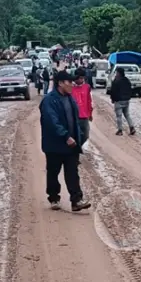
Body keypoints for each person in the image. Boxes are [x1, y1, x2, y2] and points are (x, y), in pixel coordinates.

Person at [40, 70, 91, 212]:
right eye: (69, 82)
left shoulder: (70, 98)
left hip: (71, 144)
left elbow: (74, 120)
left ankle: (76, 200)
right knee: (53, 172)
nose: (72, 85)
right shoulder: (49, 100)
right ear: (60, 83)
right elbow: (52, 122)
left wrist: (78, 136)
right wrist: (65, 136)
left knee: (72, 173)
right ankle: (54, 197)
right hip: (55, 145)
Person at [108, 67, 135, 136]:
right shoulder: (127, 80)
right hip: (126, 100)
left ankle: (120, 130)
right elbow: (130, 90)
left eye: (116, 72)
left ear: (119, 73)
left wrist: (112, 99)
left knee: (119, 116)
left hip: (118, 101)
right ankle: (132, 127)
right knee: (127, 114)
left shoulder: (116, 81)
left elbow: (113, 91)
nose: (116, 74)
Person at [71, 67, 94, 147]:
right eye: (79, 78)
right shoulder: (70, 87)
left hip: (84, 116)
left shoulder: (87, 87)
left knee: (85, 135)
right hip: (73, 116)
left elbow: (89, 101)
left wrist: (90, 113)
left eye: (82, 78)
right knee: (73, 136)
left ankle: (77, 148)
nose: (81, 80)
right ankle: (74, 153)